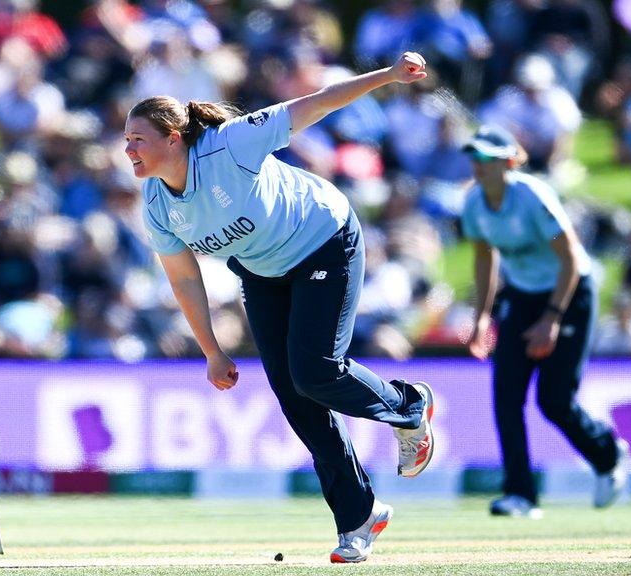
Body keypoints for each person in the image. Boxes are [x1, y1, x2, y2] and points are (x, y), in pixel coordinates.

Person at [124, 52, 436, 564]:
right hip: (262, 269)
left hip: (325, 239)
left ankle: (408, 405)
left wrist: (388, 76)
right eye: (126, 140)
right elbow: (183, 277)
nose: (129, 149)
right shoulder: (157, 204)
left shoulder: (228, 144)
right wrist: (212, 351)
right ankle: (360, 516)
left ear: (173, 138)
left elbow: (316, 104)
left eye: (139, 138)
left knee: (315, 372)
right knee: (295, 395)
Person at [461, 125, 628, 518]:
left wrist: (551, 319)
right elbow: (486, 258)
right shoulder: (474, 203)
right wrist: (482, 316)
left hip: (569, 293)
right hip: (521, 296)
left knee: (553, 400)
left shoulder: (532, 196)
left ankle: (606, 452)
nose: (478, 166)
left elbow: (569, 259)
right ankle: (520, 494)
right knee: (506, 397)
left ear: (509, 161)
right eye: (474, 158)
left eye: (486, 158)